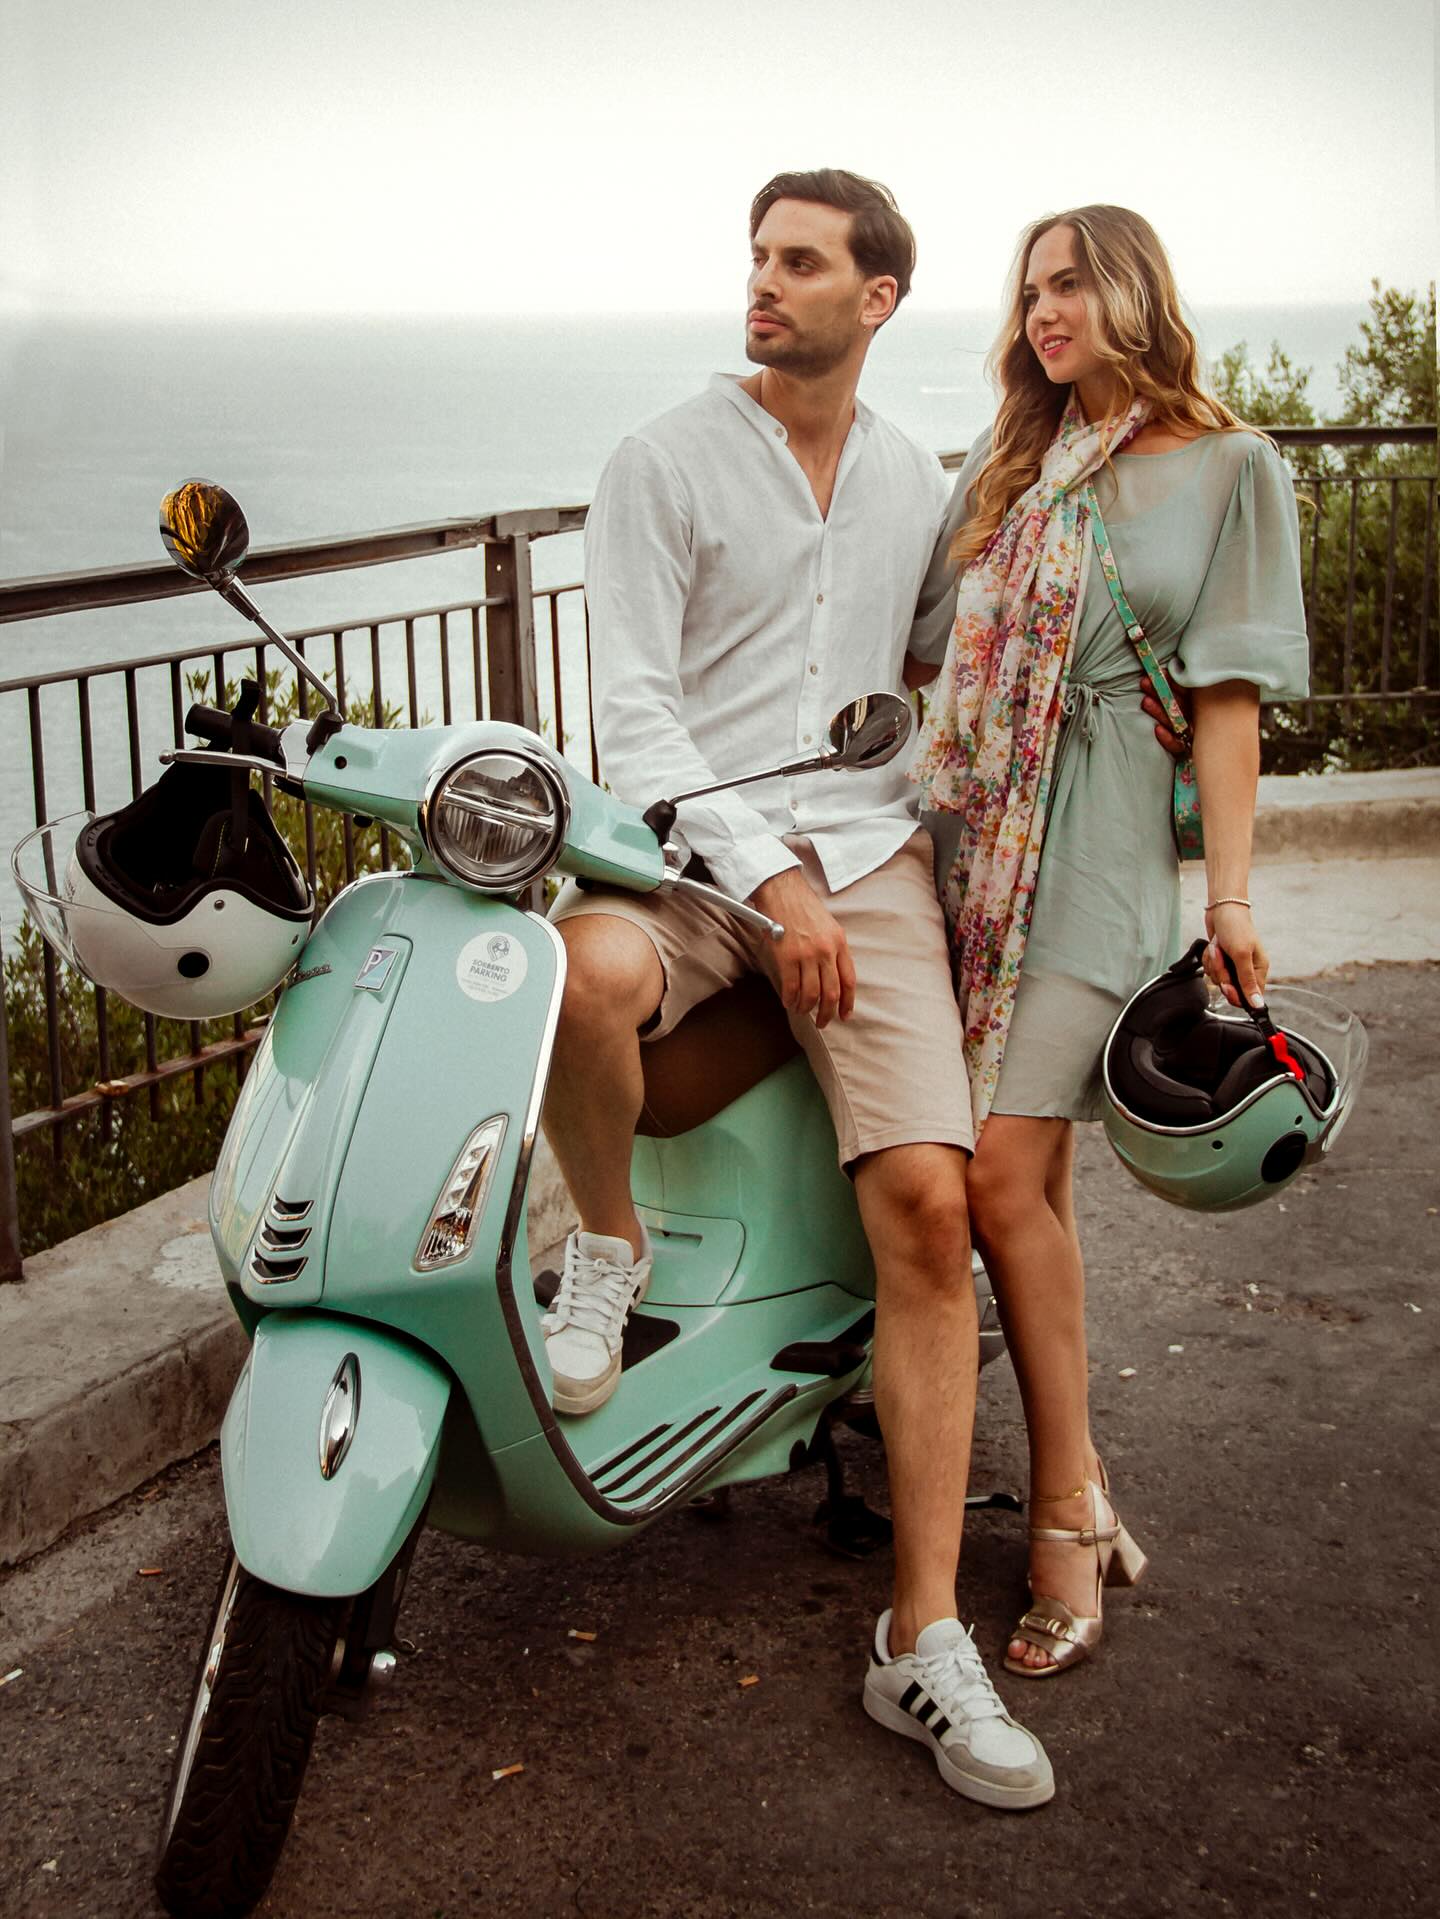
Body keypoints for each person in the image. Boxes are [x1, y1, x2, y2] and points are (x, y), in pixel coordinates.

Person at [540, 168, 1054, 1809]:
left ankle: (920, 1634)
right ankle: (607, 1243)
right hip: (692, 852)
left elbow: (915, 668)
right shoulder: (662, 460)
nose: (763, 285)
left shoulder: (916, 477)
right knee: (570, 974)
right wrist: (767, 879)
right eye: (758, 258)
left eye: (803, 263)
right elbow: (637, 717)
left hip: (866, 853)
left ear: (878, 297)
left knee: (930, 1207)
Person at [908, 205, 1310, 1678]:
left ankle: (1064, 1515)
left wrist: (1232, 901)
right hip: (977, 844)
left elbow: (1228, 702)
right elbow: (928, 644)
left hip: (1102, 851)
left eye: (1069, 282)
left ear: (1133, 289)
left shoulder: (1228, 468)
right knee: (1035, 1188)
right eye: (1028, 291)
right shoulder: (1007, 464)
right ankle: (1077, 1480)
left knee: (1001, 1177)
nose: (1042, 311)